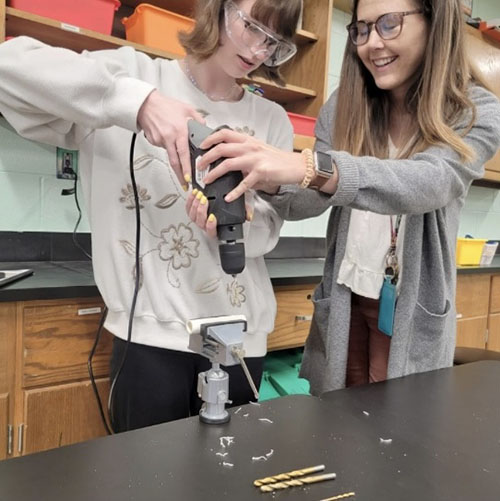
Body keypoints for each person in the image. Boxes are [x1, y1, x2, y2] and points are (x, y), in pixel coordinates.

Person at [0, 0, 302, 430]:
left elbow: (269, 229)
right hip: (149, 340)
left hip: (239, 343)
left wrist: (232, 225)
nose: (258, 50)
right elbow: (7, 67)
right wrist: (139, 103)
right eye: (252, 26)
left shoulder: (270, 120)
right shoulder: (134, 75)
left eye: (274, 43)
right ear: (217, 8)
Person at [191, 0, 500, 395]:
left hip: (408, 308)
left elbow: (430, 183)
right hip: (344, 298)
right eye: (362, 29)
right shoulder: (344, 105)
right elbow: (308, 203)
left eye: (389, 24)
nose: (372, 43)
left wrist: (309, 167)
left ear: (434, 22)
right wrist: (265, 177)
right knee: (337, 420)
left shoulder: (474, 110)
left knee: (398, 433)